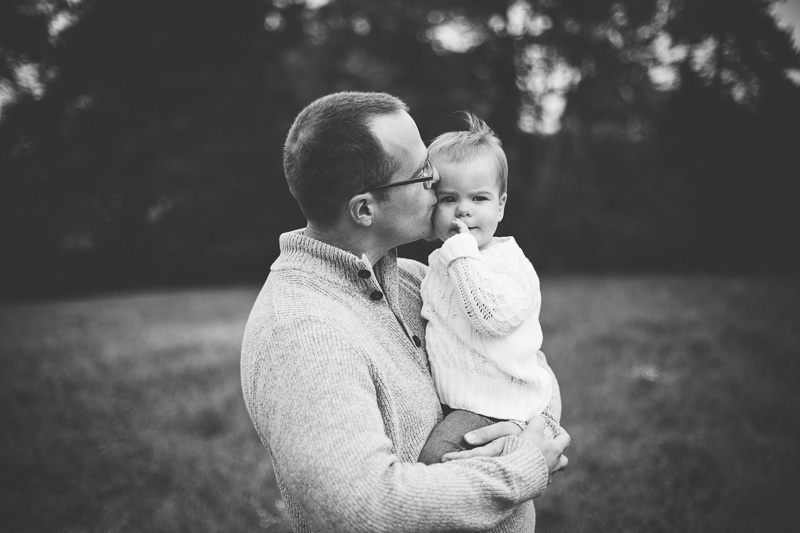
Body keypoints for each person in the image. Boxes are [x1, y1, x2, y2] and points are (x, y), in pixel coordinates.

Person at [240, 91, 570, 533]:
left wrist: (535, 422)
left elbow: (525, 359)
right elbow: (362, 510)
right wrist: (526, 465)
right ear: (364, 209)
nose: (438, 181)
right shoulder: (303, 336)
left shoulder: (418, 278)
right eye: (422, 174)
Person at [417, 113, 561, 466]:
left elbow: (493, 317)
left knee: (437, 460)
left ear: (501, 205)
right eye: (448, 198)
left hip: (498, 405)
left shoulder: (505, 261)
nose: (463, 210)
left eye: (478, 199)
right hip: (464, 398)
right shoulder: (443, 261)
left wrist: (462, 255)